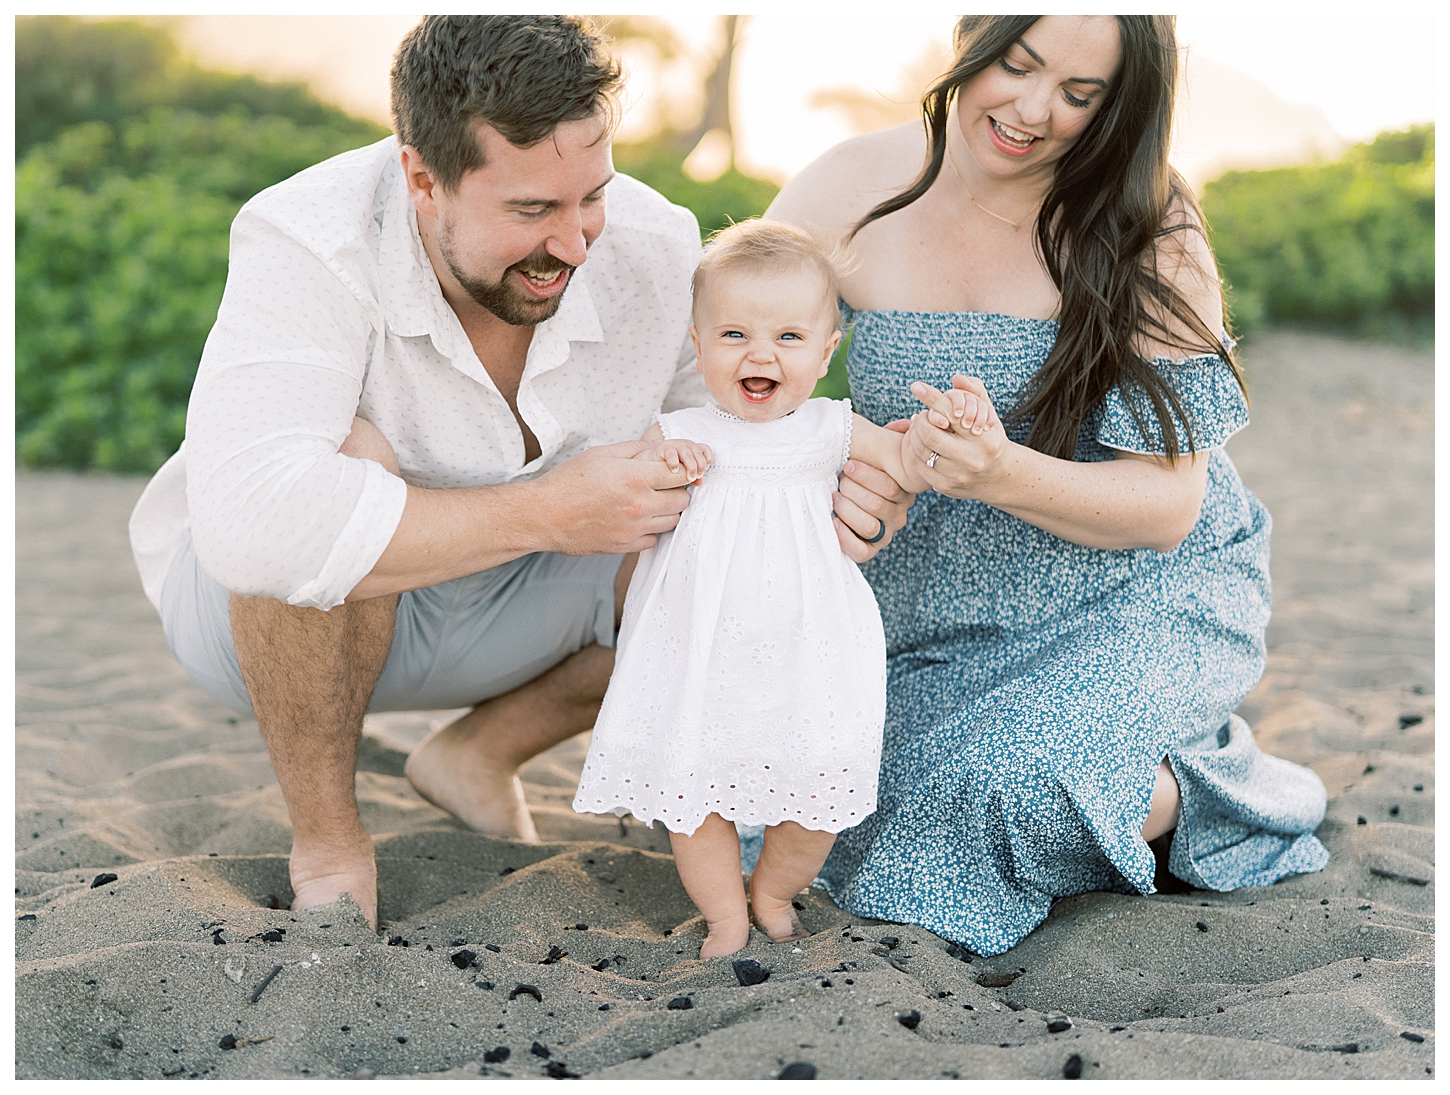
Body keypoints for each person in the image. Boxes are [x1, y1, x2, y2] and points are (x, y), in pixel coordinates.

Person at [126, 16, 911, 932]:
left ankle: (480, 752)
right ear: (424, 177)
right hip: (278, 623)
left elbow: (738, 442)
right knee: (337, 463)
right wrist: (545, 511)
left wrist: (846, 502)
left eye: (592, 198)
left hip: (523, 611)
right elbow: (257, 528)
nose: (577, 242)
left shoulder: (656, 243)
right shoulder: (306, 237)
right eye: (533, 211)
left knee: (725, 535)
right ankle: (331, 841)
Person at [766, 14, 1329, 956]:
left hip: (1136, 593)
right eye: (1015, 66)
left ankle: (1210, 790)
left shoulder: (1154, 220)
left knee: (998, 792)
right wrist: (848, 465)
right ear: (969, 38)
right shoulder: (848, 186)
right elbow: (746, 370)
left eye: (1081, 94)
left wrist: (999, 470)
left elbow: (1169, 506)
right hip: (926, 600)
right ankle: (1121, 768)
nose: (1034, 112)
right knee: (816, 808)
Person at [572, 221, 940, 958]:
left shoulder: (831, 428)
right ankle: (723, 914)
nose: (760, 353)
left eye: (789, 337)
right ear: (698, 342)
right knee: (693, 792)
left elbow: (909, 461)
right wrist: (661, 457)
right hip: (701, 654)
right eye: (734, 333)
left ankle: (772, 891)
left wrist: (939, 430)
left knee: (815, 790)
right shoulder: (678, 428)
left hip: (809, 649)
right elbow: (627, 476)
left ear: (827, 349)